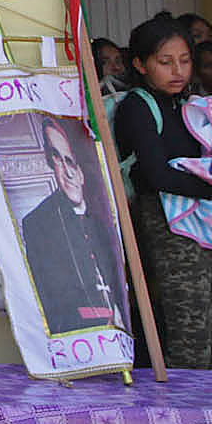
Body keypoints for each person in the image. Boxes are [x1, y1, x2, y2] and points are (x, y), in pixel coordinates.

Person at [112, 15, 212, 373]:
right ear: (140, 64)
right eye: (164, 62)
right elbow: (156, 174)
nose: (177, 71)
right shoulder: (138, 106)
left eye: (184, 61)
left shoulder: (194, 104)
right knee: (190, 327)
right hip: (168, 223)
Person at [17, 117, 125, 335]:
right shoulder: (38, 223)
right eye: (57, 159)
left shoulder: (110, 211)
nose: (67, 172)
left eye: (71, 161)